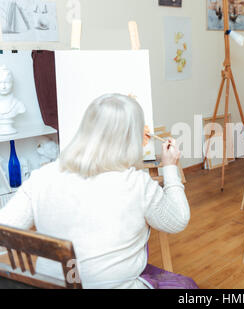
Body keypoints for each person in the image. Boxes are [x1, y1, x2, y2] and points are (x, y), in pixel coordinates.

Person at [0, 94, 197, 289]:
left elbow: (3, 230)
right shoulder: (137, 184)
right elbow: (177, 220)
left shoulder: (42, 177)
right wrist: (170, 167)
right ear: (131, 138)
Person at [0, 65, 26, 135]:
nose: (3, 87)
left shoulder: (19, 105)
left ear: (12, 83)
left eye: (7, 82)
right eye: (0, 83)